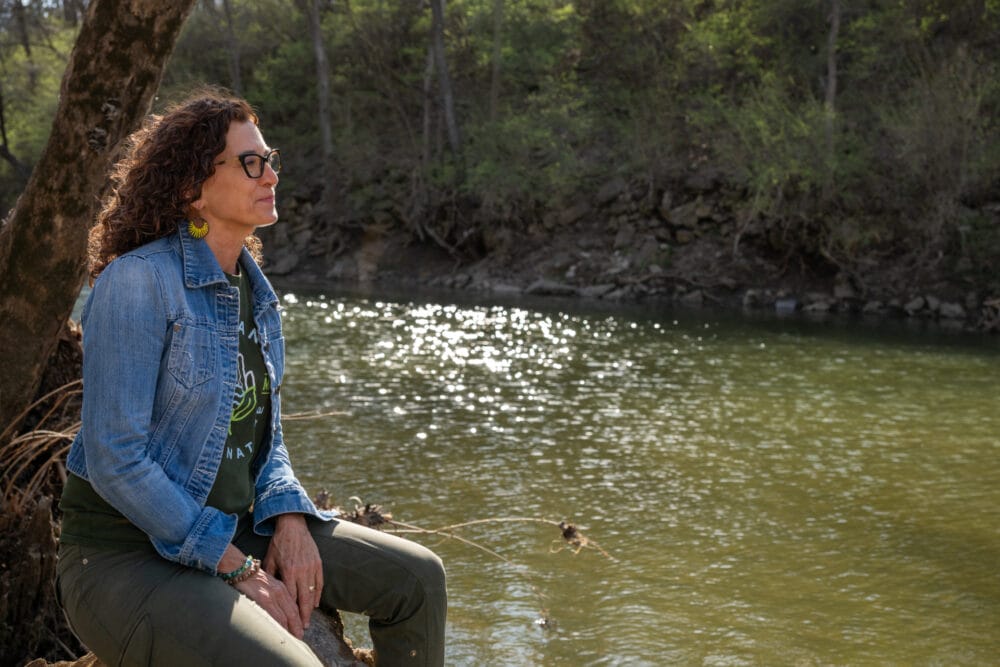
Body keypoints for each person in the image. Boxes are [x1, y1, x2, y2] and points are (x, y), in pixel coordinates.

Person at [56, 90, 447, 666]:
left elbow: (264, 436)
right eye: (250, 162)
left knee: (417, 579)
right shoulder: (137, 283)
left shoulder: (253, 290)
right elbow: (116, 457)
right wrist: (234, 564)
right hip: (124, 559)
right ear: (192, 186)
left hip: (242, 528)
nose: (270, 175)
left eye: (270, 159)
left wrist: (288, 514)